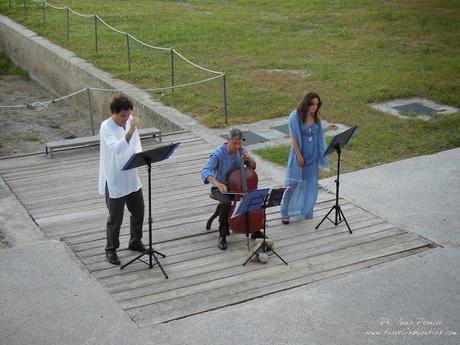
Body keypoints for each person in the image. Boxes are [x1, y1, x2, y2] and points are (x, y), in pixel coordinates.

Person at [98, 95, 146, 265]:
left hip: (131, 175)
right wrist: (131, 130)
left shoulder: (130, 119)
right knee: (115, 218)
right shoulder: (106, 127)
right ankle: (110, 249)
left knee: (139, 211)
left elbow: (137, 142)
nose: (126, 119)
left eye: (128, 115)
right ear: (114, 113)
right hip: (115, 177)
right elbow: (117, 148)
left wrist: (139, 157)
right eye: (123, 116)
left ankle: (135, 241)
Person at [201, 128, 264, 250]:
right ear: (228, 140)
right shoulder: (218, 154)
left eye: (240, 143)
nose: (238, 146)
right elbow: (205, 171)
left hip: (239, 187)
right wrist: (217, 183)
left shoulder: (241, 150)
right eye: (235, 143)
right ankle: (222, 235)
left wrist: (248, 160)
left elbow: (253, 167)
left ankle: (255, 229)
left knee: (253, 198)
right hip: (221, 188)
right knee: (225, 203)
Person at [280, 92, 337, 224]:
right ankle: (285, 212)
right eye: (312, 104)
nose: (315, 107)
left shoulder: (316, 115)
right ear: (306, 103)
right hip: (299, 156)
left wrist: (328, 128)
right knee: (292, 185)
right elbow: (293, 138)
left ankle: (303, 210)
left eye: (317, 104)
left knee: (310, 184)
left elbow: (317, 133)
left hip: (312, 157)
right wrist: (299, 156)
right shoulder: (295, 116)